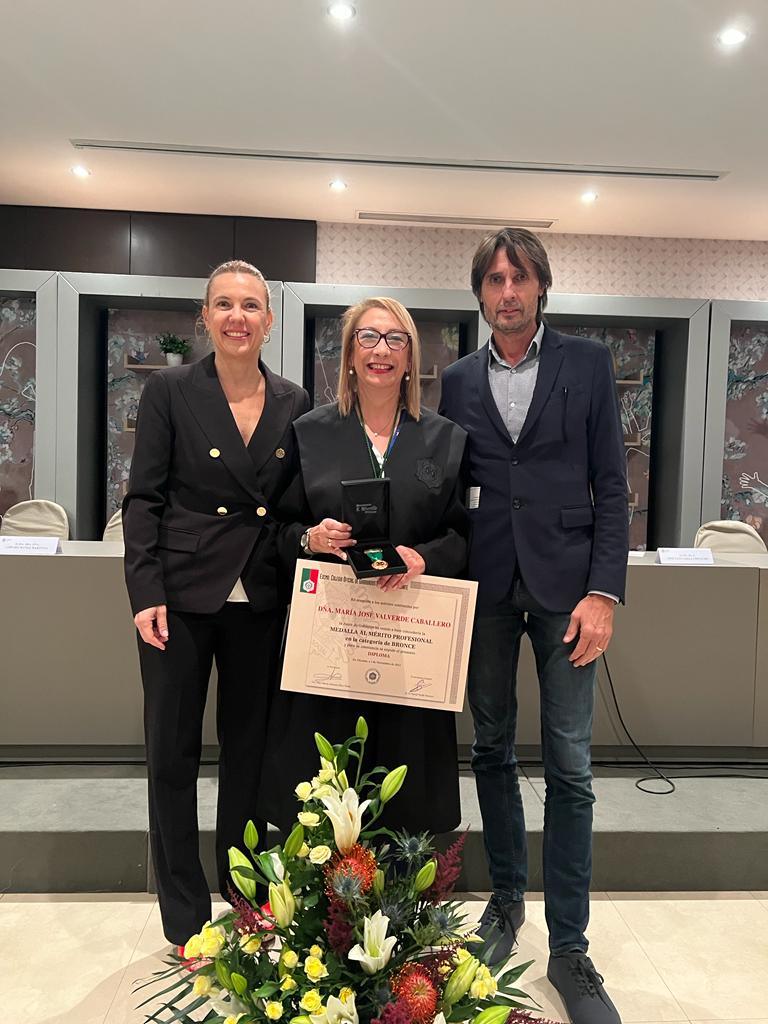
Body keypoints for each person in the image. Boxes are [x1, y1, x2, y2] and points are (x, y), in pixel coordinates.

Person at [439, 229, 628, 1024]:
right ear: (480, 293)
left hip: (568, 591)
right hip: (485, 586)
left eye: (519, 278)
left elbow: (612, 485)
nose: (508, 292)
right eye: (494, 279)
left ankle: (571, 948)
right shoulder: (457, 379)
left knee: (570, 768)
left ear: (541, 286)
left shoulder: (587, 365)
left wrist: (604, 593)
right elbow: (447, 488)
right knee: (489, 748)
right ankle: (506, 901)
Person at [123, 259, 309, 946]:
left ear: (269, 320)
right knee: (171, 756)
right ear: (205, 317)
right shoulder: (171, 390)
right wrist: (145, 591)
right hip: (179, 595)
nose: (238, 316)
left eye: (251, 305)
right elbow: (144, 498)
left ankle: (247, 904)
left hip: (259, 596)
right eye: (224, 304)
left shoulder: (294, 401)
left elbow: (292, 507)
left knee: (250, 757)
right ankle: (184, 921)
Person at [259, 297, 468, 834]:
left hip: (409, 638)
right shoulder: (309, 433)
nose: (382, 350)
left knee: (406, 786)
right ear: (350, 353)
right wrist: (310, 537)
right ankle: (326, 889)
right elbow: (274, 529)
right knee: (326, 785)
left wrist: (424, 557)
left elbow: (464, 536)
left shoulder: (444, 439)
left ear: (410, 356)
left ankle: (404, 890)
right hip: (332, 636)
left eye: (396, 339)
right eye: (368, 337)